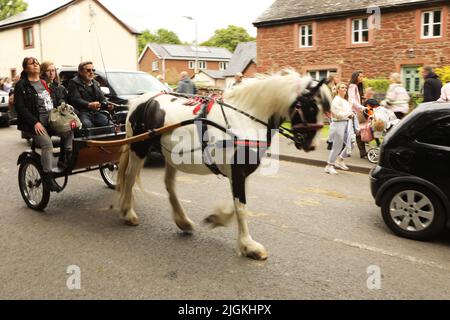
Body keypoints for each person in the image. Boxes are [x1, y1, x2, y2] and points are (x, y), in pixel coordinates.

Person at [14, 57, 74, 192]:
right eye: (31, 64)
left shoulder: (44, 83)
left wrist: (63, 113)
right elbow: (20, 107)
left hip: (50, 121)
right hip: (33, 124)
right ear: (25, 68)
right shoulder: (21, 85)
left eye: (36, 63)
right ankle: (48, 178)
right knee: (47, 144)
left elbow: (52, 102)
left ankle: (66, 159)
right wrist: (35, 122)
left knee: (69, 129)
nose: (35, 65)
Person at [68, 61, 112, 129]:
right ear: (80, 72)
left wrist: (107, 104)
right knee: (87, 126)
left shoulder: (96, 83)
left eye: (93, 70)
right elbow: (76, 99)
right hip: (82, 113)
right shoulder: (74, 82)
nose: (91, 72)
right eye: (88, 70)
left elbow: (102, 98)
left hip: (96, 113)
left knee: (110, 124)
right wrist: (89, 104)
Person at [325, 83, 355, 175]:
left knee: (352, 143)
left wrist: (351, 109)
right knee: (337, 147)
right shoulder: (335, 100)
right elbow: (337, 114)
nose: (345, 89)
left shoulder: (344, 101)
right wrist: (349, 114)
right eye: (342, 87)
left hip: (346, 124)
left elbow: (348, 111)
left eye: (345, 87)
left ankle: (340, 160)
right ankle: (329, 166)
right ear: (338, 89)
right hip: (338, 125)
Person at [347, 71, 367, 158]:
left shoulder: (357, 87)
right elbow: (351, 100)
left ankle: (362, 152)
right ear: (356, 77)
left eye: (362, 76)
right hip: (353, 113)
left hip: (357, 112)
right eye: (360, 76)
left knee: (358, 132)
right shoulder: (352, 86)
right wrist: (361, 107)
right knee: (356, 132)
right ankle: (361, 152)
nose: (362, 78)